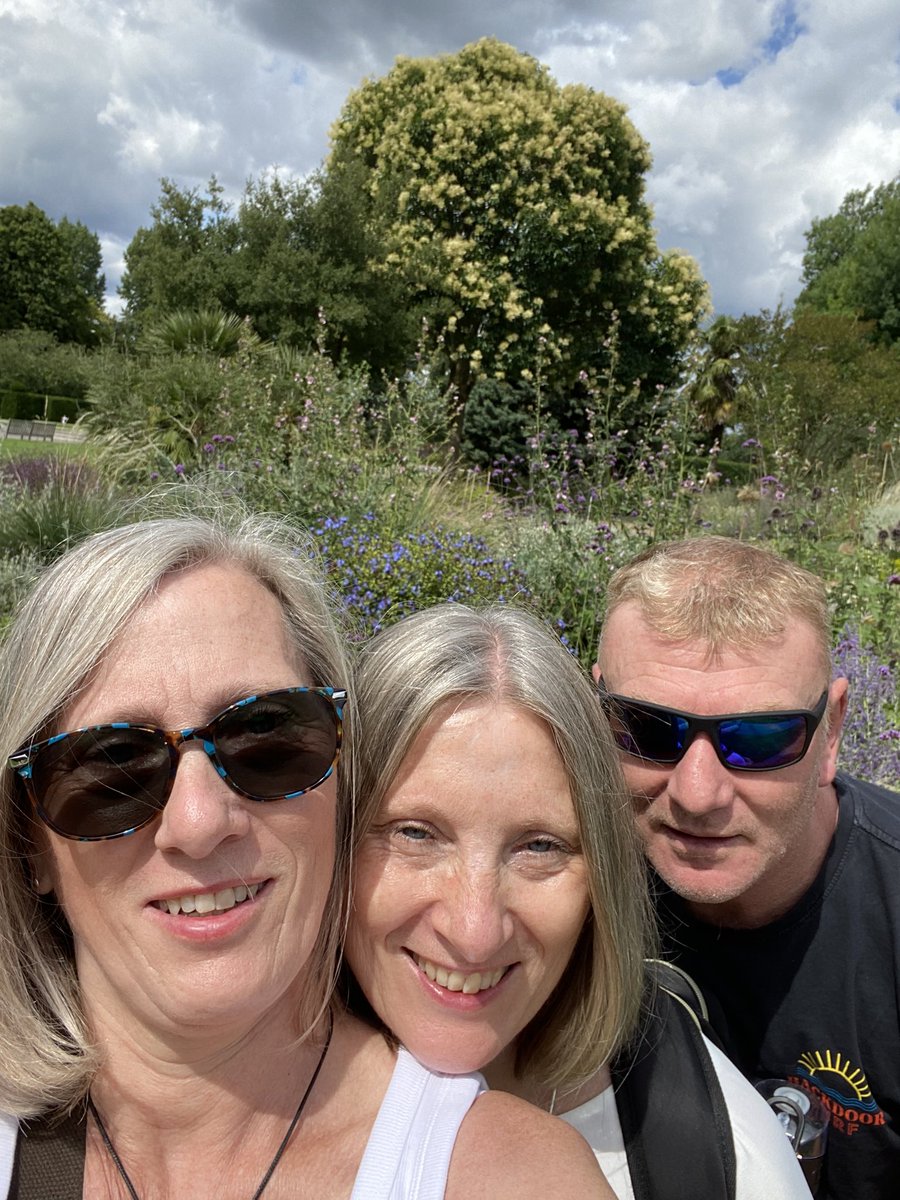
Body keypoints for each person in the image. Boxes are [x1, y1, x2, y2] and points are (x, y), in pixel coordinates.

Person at [0, 513, 609, 1200]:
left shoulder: (510, 1180)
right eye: (112, 765)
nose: (199, 824)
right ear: (31, 845)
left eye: (265, 735)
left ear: (343, 776)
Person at [345, 602, 811, 1200]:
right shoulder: (217, 1114)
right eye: (416, 834)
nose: (474, 930)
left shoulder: (731, 1164)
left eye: (540, 846)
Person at [593, 535, 900, 1200]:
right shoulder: (560, 877)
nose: (697, 794)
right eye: (649, 730)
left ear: (833, 732)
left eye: (759, 740)